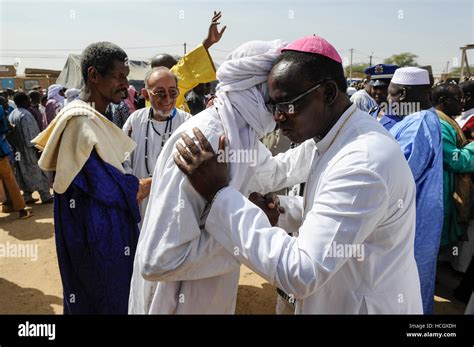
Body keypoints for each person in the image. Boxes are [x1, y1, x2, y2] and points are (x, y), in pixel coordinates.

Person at [174, 35, 422, 314]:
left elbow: (302, 272)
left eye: (286, 105)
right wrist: (280, 212)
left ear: (327, 93)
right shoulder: (333, 137)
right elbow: (332, 213)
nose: (277, 117)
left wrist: (221, 196)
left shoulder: (363, 160)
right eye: (273, 106)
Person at [128, 39, 319, 314]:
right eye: (279, 98)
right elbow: (159, 259)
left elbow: (273, 173)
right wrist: (245, 232)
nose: (283, 112)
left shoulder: (242, 134)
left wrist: (323, 140)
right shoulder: (205, 138)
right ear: (254, 89)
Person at [32, 41, 141, 314]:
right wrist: (159, 180)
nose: (125, 84)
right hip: (97, 241)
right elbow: (112, 189)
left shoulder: (93, 116)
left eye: (126, 77)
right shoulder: (81, 123)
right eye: (118, 76)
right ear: (94, 75)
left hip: (99, 234)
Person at [387, 67, 443, 314]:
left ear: (403, 94)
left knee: (403, 287)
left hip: (411, 219)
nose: (387, 100)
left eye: (390, 94)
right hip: (421, 216)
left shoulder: (417, 124)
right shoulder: (423, 118)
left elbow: (397, 178)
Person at [123, 67, 191, 218]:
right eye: (160, 93)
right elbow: (123, 158)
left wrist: (153, 183)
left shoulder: (188, 123)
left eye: (172, 92)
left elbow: (191, 168)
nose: (167, 99)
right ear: (146, 95)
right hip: (140, 201)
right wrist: (134, 185)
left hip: (174, 204)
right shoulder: (135, 121)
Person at [149, 11, 226, 113]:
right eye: (175, 68)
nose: (179, 72)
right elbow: (185, 67)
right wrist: (208, 42)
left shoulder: (174, 97)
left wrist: (209, 42)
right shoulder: (160, 97)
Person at [432, 83, 474, 256]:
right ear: (443, 100)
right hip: (442, 190)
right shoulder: (440, 123)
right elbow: (455, 160)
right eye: (459, 99)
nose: (463, 103)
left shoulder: (446, 119)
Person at [8, 92, 53, 205]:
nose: (30, 102)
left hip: (19, 150)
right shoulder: (25, 115)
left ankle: (27, 196)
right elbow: (31, 136)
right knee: (39, 171)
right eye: (28, 100)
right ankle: (45, 195)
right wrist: (37, 149)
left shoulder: (13, 114)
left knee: (24, 173)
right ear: (24, 101)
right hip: (30, 150)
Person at [0, 96, 32, 219]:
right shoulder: (0, 110)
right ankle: (21, 210)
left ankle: (7, 205)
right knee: (10, 180)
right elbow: (6, 128)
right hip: (1, 151)